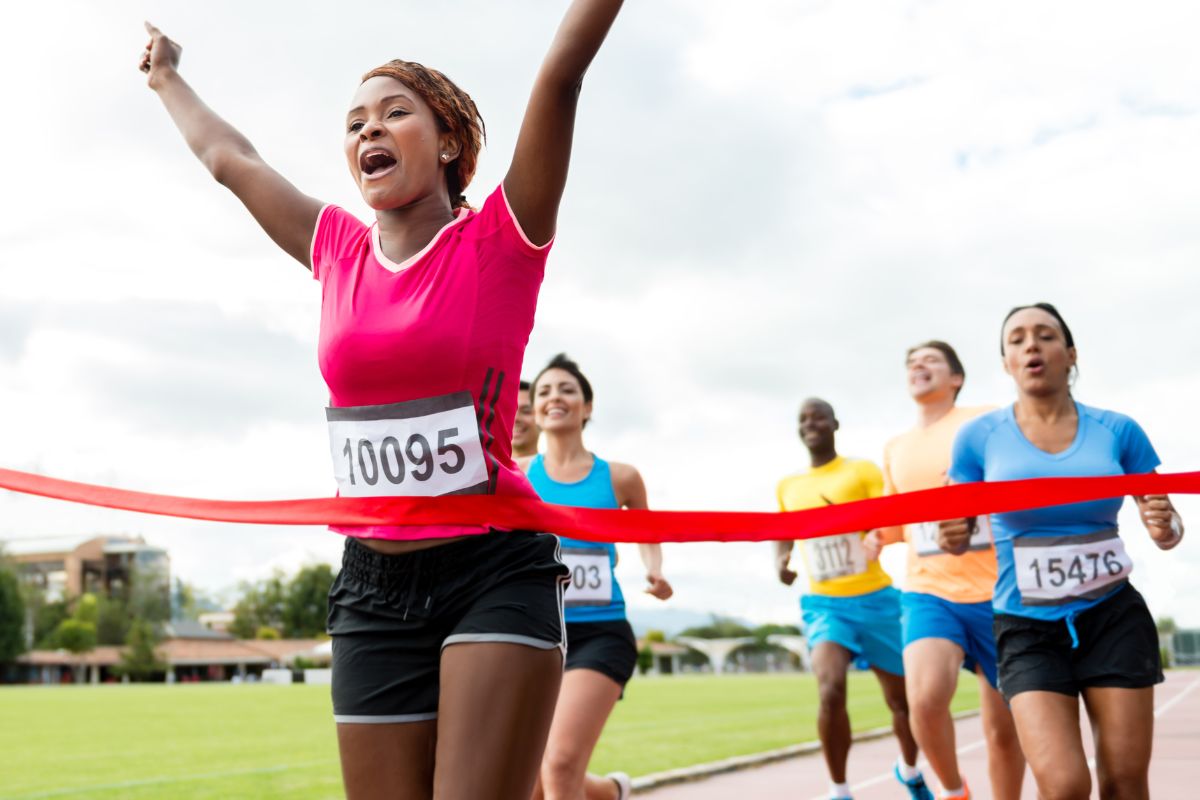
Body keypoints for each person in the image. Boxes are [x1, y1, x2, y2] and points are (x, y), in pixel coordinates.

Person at [140, 4, 626, 797]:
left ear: (449, 144)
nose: (370, 129)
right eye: (355, 121)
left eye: (395, 112)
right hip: (370, 587)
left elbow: (561, 73)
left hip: (493, 568)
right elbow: (231, 158)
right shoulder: (333, 246)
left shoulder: (501, 239)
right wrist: (166, 78)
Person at [940, 303, 1184, 800]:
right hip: (1026, 627)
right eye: (1017, 339)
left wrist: (1166, 526)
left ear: (1070, 354)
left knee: (1124, 784)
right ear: (1007, 361)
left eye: (1046, 335)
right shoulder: (978, 439)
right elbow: (957, 534)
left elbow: (1168, 522)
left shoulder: (1119, 430)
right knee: (1066, 784)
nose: (1031, 344)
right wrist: (951, 534)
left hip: (1112, 617)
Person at [864, 342, 1024, 800]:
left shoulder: (985, 421)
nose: (918, 365)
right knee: (927, 697)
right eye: (911, 361)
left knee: (1004, 729)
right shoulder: (895, 447)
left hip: (1000, 593)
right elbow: (896, 524)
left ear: (956, 378)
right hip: (929, 590)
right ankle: (954, 792)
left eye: (931, 360)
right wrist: (876, 538)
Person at [520, 353, 672, 800]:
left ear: (587, 407)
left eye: (567, 390)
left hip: (600, 632)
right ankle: (610, 792)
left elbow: (648, 531)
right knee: (529, 778)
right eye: (544, 391)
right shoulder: (519, 477)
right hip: (536, 635)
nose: (555, 398)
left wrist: (654, 569)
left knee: (560, 763)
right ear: (533, 411)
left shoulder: (621, 477)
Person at [776, 399, 932, 800]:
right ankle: (840, 789)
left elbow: (887, 515)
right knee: (829, 688)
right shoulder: (788, 486)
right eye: (803, 419)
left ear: (835, 424)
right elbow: (783, 530)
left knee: (902, 701)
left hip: (877, 600)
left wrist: (874, 533)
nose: (811, 424)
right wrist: (782, 560)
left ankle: (911, 771)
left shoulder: (861, 470)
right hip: (826, 605)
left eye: (819, 417)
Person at [513, 380, 541, 458]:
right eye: (509, 413)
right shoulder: (483, 469)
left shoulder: (559, 469)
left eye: (526, 411)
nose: (515, 419)